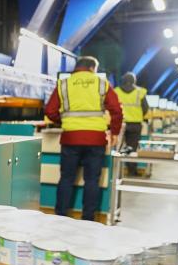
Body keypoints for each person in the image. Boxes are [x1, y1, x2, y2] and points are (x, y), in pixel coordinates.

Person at [45, 56, 123, 221]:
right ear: (92, 68)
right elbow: (116, 109)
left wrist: (64, 121)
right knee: (92, 180)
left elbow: (50, 111)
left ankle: (60, 216)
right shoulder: (101, 83)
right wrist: (114, 132)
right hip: (96, 140)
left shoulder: (63, 84)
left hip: (70, 138)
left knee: (66, 178)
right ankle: (88, 218)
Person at [114, 72, 148, 175]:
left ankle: (116, 171)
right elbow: (145, 108)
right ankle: (132, 171)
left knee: (117, 148)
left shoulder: (116, 91)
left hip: (120, 123)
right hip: (135, 124)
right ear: (134, 81)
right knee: (132, 149)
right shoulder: (140, 92)